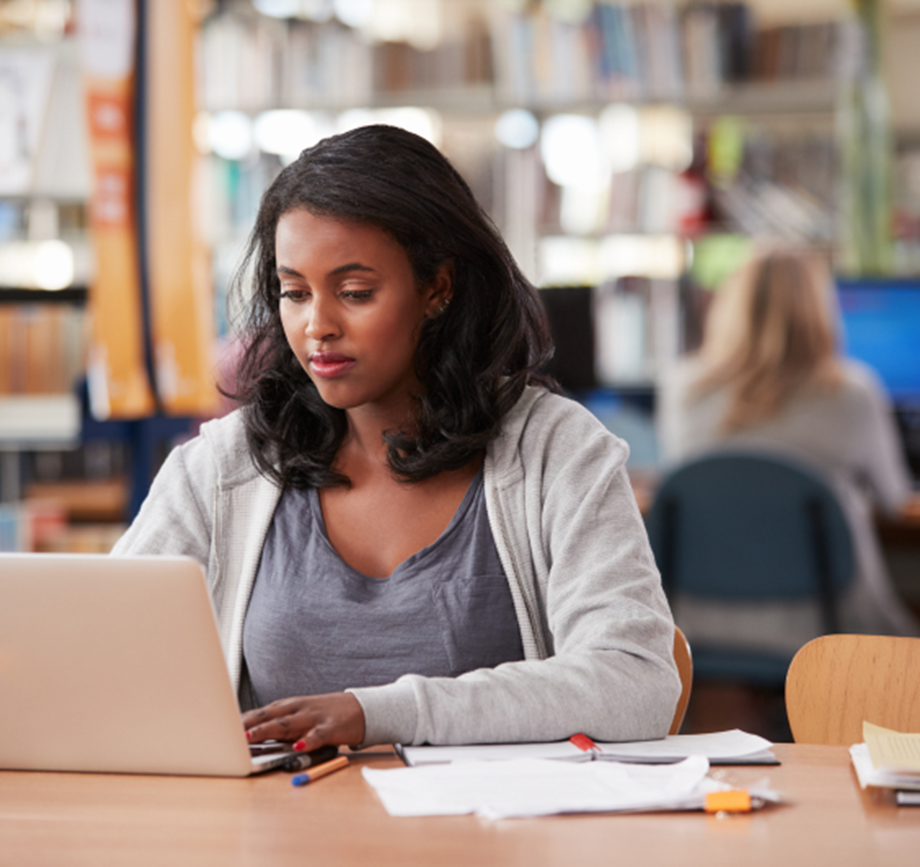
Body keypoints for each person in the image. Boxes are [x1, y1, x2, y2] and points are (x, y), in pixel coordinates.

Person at [114, 124, 679, 752]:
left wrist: (381, 713)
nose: (316, 327)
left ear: (437, 287)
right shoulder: (221, 470)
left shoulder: (555, 450)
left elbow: (636, 682)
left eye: (355, 293)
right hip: (280, 841)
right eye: (293, 293)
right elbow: (102, 658)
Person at [658, 248, 920, 655]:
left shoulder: (682, 388)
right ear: (819, 308)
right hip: (828, 624)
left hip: (701, 618)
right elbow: (895, 499)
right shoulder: (852, 393)